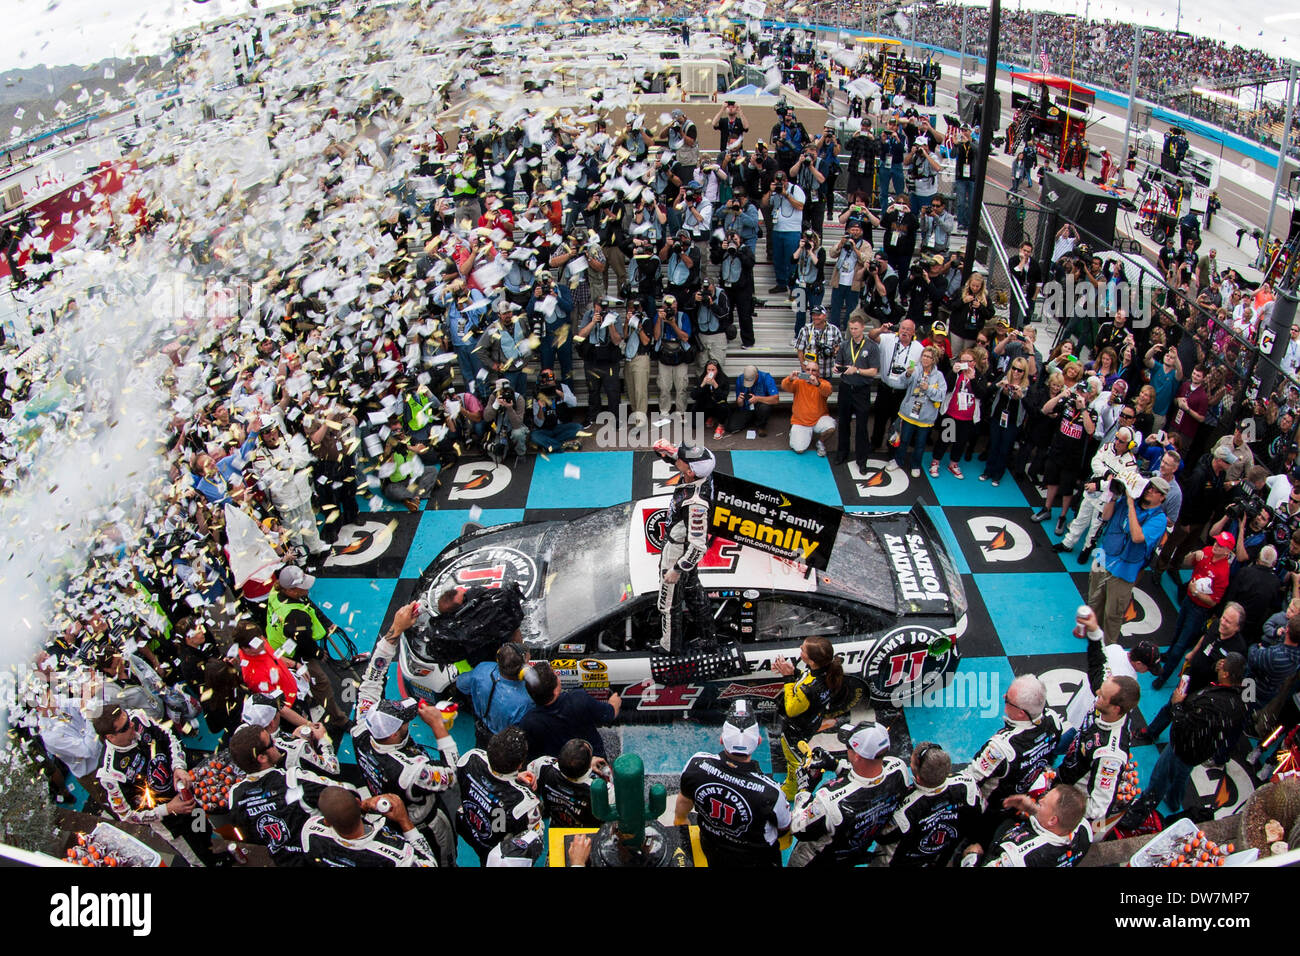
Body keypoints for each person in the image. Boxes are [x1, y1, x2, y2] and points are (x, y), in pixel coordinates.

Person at [352, 601, 459, 867]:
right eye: (403, 724)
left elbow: (373, 677)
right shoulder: (414, 771)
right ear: (391, 735)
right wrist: (438, 728)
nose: (407, 725)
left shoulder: (363, 725)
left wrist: (395, 630)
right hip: (425, 825)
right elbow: (452, 775)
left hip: (391, 811)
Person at [1119, 654, 1247, 827]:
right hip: (1200, 751)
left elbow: (1186, 725)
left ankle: (1140, 812)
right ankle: (1173, 801)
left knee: (1160, 777)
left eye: (1224, 665)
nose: (1220, 663)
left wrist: (1176, 704)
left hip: (1183, 747)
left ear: (1226, 675)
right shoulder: (1239, 701)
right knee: (1181, 775)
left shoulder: (1213, 703)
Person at [93, 703, 224, 866]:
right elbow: (127, 815)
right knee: (201, 860)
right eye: (125, 727)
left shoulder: (138, 718)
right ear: (110, 737)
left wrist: (178, 767)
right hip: (172, 824)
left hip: (188, 798)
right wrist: (168, 808)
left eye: (128, 718)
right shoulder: (111, 773)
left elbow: (170, 736)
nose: (131, 724)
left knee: (208, 834)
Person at [675, 700, 791, 867]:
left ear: (722, 739)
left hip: (712, 848)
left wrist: (680, 820)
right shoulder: (771, 793)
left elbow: (684, 802)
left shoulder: (696, 765)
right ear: (759, 741)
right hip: (756, 859)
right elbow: (784, 828)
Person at [227, 722, 354, 866]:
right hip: (322, 858)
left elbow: (249, 835)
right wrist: (324, 741)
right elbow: (348, 793)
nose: (276, 743)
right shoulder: (293, 779)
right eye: (271, 742)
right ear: (262, 758)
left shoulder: (234, 796)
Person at [788, 721, 911, 867]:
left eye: (848, 746)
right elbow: (869, 778)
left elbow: (797, 827)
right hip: (854, 851)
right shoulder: (899, 769)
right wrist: (835, 765)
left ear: (858, 756)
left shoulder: (831, 801)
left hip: (816, 860)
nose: (847, 749)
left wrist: (804, 788)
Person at [965, 674, 1063, 843]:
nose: (1003, 697)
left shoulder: (1001, 747)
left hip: (991, 805)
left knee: (975, 836)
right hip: (1020, 798)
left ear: (1020, 713)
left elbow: (970, 780)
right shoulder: (1054, 720)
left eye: (1007, 700)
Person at [1087, 476, 1169, 646]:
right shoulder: (1126, 500)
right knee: (1095, 600)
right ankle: (1092, 630)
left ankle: (1109, 647)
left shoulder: (1159, 519)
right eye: (1149, 487)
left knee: (1113, 612)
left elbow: (1137, 537)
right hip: (1104, 556)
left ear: (1162, 497)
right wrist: (1114, 495)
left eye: (1155, 490)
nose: (1149, 490)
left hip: (1125, 570)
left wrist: (1131, 504)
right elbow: (1107, 516)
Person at [1055, 675, 1140, 840]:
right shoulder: (1105, 709)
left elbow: (1099, 807)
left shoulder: (1110, 756)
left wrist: (1063, 806)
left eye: (1102, 696)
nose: (1097, 692)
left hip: (1071, 794)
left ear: (1116, 708)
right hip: (1066, 773)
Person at [653, 440, 718, 653]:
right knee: (693, 592)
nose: (677, 459)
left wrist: (677, 569)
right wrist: (667, 453)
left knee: (668, 603)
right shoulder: (702, 472)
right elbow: (686, 462)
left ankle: (669, 647)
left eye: (680, 458)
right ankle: (709, 639)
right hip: (678, 544)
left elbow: (698, 546)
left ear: (690, 471)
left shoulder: (696, 503)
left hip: (677, 552)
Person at [1154, 531, 1235, 690]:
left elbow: (1213, 602)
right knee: (1177, 630)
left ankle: (1164, 676)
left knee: (1182, 644)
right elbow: (1185, 562)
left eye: (1221, 545)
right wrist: (1192, 555)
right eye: (1217, 542)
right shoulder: (1206, 551)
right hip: (1188, 600)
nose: (1216, 546)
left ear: (1227, 552)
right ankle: (1168, 654)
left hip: (1199, 610)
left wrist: (1197, 592)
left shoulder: (1223, 573)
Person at [882, 741, 982, 868]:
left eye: (911, 761)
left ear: (917, 777)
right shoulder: (967, 786)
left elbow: (883, 837)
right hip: (944, 854)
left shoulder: (904, 809)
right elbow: (979, 813)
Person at [455, 726, 544, 865]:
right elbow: (535, 839)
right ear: (521, 764)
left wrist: (513, 778)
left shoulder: (471, 757)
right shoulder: (526, 803)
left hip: (467, 827)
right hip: (494, 850)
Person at [773, 637, 844, 800]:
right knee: (796, 756)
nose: (800, 648)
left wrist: (788, 678)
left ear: (811, 660)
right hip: (812, 722)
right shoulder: (825, 672)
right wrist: (794, 672)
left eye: (803, 649)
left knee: (794, 760)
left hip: (796, 730)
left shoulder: (809, 689)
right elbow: (807, 680)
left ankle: (791, 791)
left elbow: (791, 709)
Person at [1053, 427, 1139, 560]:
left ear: (1130, 445)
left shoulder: (1130, 465)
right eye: (1116, 438)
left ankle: (1087, 548)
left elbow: (1118, 485)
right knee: (1080, 519)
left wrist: (1098, 485)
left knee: (1095, 527)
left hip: (1105, 500)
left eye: (1121, 441)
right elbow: (1095, 462)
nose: (1116, 442)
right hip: (1091, 492)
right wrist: (1107, 474)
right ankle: (1067, 543)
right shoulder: (1107, 447)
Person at [301, 786, 437, 867]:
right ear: (357, 801)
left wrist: (362, 809)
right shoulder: (397, 854)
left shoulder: (310, 829)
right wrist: (404, 821)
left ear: (327, 822)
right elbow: (430, 864)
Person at [964, 785, 1091, 867]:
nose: (1040, 800)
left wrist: (973, 856)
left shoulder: (1018, 857)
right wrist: (1032, 810)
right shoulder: (1084, 829)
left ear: (1052, 820)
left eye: (1044, 803)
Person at [519, 661, 621, 760]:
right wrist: (614, 702)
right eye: (556, 676)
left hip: (556, 773)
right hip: (594, 765)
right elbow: (609, 715)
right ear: (555, 690)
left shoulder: (528, 723)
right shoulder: (579, 699)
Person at [458, 641, 535, 749]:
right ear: (522, 669)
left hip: (481, 732)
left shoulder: (482, 669)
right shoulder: (526, 700)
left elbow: (461, 684)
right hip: (505, 745)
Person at [890, 345, 947, 477]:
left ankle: (916, 465)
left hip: (926, 417)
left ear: (934, 360)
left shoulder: (939, 376)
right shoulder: (914, 369)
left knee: (920, 444)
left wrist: (928, 389)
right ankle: (898, 461)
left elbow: (941, 395)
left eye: (929, 357)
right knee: (904, 439)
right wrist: (907, 373)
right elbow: (902, 381)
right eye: (924, 356)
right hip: (909, 413)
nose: (926, 359)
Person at [527, 738, 608, 829]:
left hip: (556, 825)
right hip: (586, 836)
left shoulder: (542, 765)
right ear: (589, 765)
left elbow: (528, 774)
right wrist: (606, 774)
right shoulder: (598, 786)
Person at [832, 316, 879, 469]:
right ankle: (842, 453)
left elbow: (873, 372)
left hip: (862, 390)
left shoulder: (871, 347)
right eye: (851, 329)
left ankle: (862, 460)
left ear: (863, 327)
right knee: (844, 422)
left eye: (856, 329)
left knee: (862, 426)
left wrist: (857, 370)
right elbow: (839, 362)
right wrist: (837, 367)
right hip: (845, 388)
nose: (853, 332)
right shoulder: (845, 345)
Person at [929, 348, 984, 479]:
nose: (965, 364)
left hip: (968, 418)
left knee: (960, 442)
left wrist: (973, 380)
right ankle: (935, 462)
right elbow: (945, 387)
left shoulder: (979, 375)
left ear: (974, 362)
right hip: (952, 414)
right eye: (962, 361)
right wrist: (953, 372)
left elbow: (983, 394)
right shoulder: (956, 373)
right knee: (945, 440)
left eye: (968, 361)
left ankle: (954, 464)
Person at [980, 357, 1030, 486]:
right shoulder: (1004, 378)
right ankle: (988, 471)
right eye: (1014, 368)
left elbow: (1029, 407)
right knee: (994, 445)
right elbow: (988, 391)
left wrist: (1020, 396)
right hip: (997, 418)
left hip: (1013, 423)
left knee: (1004, 449)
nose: (1016, 372)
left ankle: (998, 475)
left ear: (1024, 372)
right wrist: (999, 385)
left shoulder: (1027, 387)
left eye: (1020, 370)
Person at [781, 354, 837, 457]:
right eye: (808, 370)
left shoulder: (823, 383)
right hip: (800, 421)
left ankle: (820, 442)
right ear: (804, 371)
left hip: (818, 420)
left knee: (831, 427)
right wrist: (790, 378)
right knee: (799, 450)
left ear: (818, 373)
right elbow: (784, 386)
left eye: (814, 370)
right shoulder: (798, 382)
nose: (810, 373)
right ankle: (796, 432)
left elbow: (828, 391)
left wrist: (818, 384)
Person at [764, 170, 806, 294]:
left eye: (782, 181)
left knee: (791, 260)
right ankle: (781, 283)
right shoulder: (774, 192)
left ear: (786, 180)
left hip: (792, 231)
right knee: (778, 259)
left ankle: (793, 288)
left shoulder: (795, 189)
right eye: (777, 181)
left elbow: (800, 206)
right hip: (777, 230)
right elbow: (764, 204)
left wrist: (786, 194)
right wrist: (770, 191)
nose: (780, 183)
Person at [728, 364, 780, 436]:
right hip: (746, 407)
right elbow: (739, 404)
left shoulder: (766, 377)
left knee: (765, 408)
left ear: (757, 376)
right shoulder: (740, 379)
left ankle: (761, 425)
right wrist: (739, 401)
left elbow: (776, 399)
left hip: (760, 405)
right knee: (731, 427)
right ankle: (752, 420)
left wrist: (757, 398)